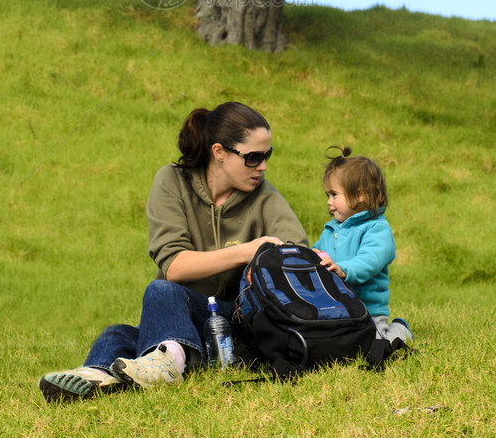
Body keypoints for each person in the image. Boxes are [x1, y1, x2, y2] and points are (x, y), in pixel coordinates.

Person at [39, 101, 308, 401]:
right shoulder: (172, 181)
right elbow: (175, 265)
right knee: (118, 332)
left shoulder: (264, 196)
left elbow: (296, 251)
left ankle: (170, 362)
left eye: (267, 155)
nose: (263, 166)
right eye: (254, 157)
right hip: (186, 317)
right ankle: (95, 376)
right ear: (219, 152)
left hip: (235, 327)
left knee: (161, 292)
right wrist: (249, 250)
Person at [312, 147, 412, 344]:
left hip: (368, 311)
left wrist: (343, 269)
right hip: (337, 309)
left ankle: (400, 330)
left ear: (360, 195)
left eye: (334, 195)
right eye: (327, 195)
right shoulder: (331, 229)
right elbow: (317, 251)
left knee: (376, 341)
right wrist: (310, 255)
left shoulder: (377, 229)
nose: (329, 202)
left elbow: (369, 261)